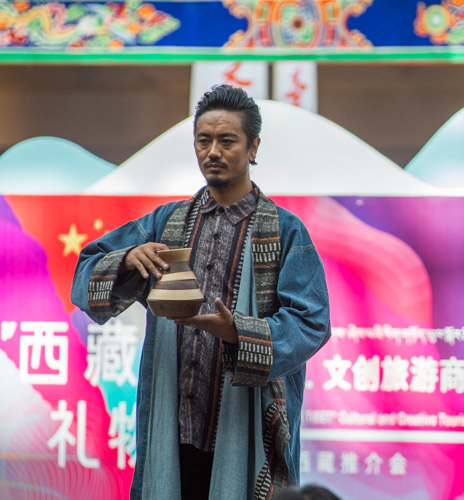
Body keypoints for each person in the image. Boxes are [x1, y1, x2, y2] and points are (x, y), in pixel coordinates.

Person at [71, 84, 331, 500]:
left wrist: (238, 332)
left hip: (246, 423)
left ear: (253, 147)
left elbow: (311, 322)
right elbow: (86, 271)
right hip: (171, 426)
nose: (213, 151)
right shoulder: (166, 221)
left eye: (227, 141)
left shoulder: (286, 231)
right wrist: (128, 258)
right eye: (203, 140)